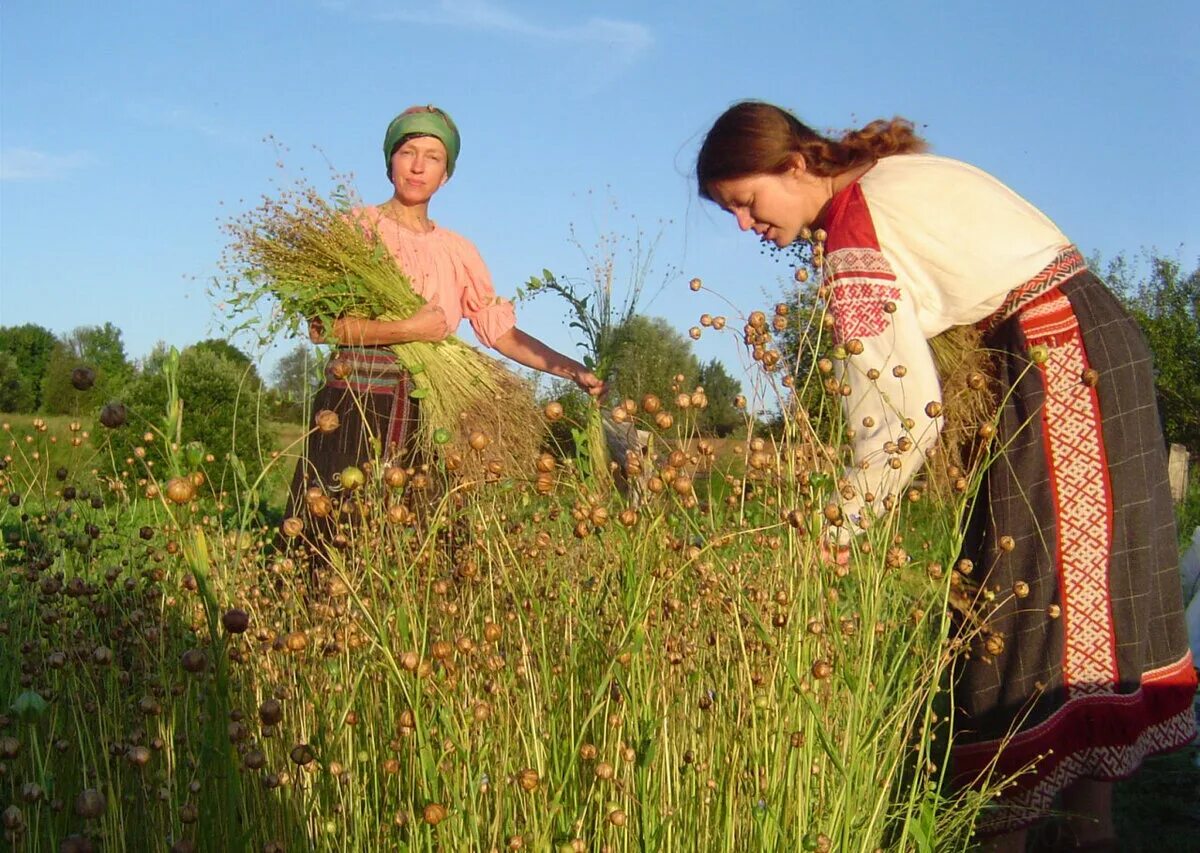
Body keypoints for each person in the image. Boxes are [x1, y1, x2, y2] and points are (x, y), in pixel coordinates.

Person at [695, 101, 1197, 850]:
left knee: (1021, 606)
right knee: (1078, 601)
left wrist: (840, 525)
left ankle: (1008, 830)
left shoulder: (855, 231)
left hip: (1057, 358)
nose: (744, 225)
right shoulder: (889, 175)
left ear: (795, 165)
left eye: (746, 201)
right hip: (1090, 339)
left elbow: (902, 416)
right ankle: (1089, 827)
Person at [288, 105, 603, 544]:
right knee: (331, 534)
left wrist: (571, 370)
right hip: (353, 406)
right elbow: (323, 329)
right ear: (389, 163)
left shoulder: (458, 251)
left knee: (422, 542)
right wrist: (409, 330)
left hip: (431, 411)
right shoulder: (354, 230)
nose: (418, 166)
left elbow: (501, 333)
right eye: (408, 152)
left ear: (446, 175)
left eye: (433, 157)